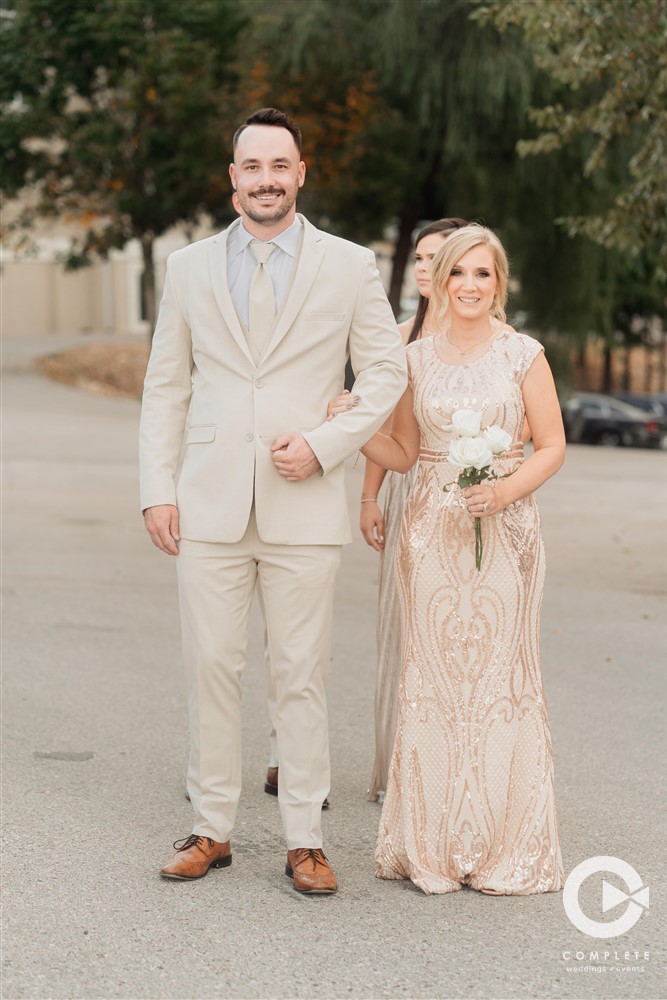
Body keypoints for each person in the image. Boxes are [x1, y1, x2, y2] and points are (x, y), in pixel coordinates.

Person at [140, 107, 407, 894]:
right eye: (250, 166)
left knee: (301, 672)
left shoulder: (350, 265)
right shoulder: (185, 267)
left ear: (300, 172)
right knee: (210, 666)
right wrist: (157, 490)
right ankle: (211, 827)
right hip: (208, 499)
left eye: (278, 165)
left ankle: (305, 838)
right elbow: (166, 387)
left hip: (306, 499)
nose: (265, 179)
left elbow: (385, 374)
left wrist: (327, 445)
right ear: (232, 179)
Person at [360, 224, 565, 894]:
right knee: (433, 685)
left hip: (504, 537)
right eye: (457, 274)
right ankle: (432, 848)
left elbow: (552, 446)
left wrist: (503, 490)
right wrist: (355, 429)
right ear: (440, 280)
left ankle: (504, 846)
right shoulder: (415, 360)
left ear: (498, 282)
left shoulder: (523, 355)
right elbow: (404, 452)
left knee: (500, 684)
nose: (469, 286)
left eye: (482, 274)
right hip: (430, 535)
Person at [359, 218, 468, 802]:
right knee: (406, 626)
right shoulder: (400, 339)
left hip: (471, 488)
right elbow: (386, 427)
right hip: (410, 485)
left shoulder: (488, 335)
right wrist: (370, 495)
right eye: (420, 259)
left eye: (436, 258)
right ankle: (403, 764)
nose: (424, 268)